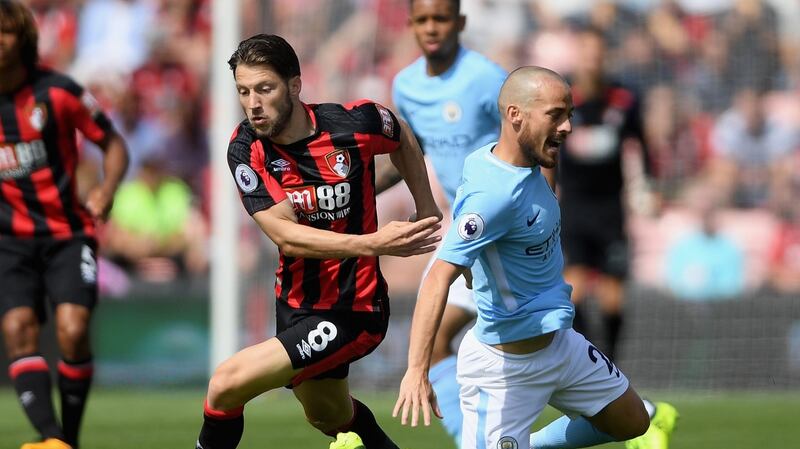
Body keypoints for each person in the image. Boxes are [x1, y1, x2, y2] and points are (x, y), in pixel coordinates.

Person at [393, 67, 677, 449]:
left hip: (561, 345)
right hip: (504, 368)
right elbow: (438, 277)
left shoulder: (525, 164)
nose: (568, 126)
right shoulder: (491, 197)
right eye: (556, 115)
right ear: (515, 115)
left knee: (633, 421)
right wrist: (416, 370)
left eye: (570, 114)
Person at [195, 34, 442, 449]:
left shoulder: (355, 123)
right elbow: (286, 236)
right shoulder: (246, 148)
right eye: (243, 91)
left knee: (226, 383)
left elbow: (401, 135)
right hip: (294, 304)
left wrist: (427, 207)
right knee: (330, 416)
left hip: (353, 308)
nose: (252, 103)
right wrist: (375, 243)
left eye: (264, 89)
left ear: (294, 85)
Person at [0, 2, 130, 449]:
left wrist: (107, 188)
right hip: (9, 242)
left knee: (73, 330)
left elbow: (111, 142)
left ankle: (65, 441)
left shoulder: (57, 93)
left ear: (24, 40)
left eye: (5, 33)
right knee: (18, 328)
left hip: (67, 234)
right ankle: (53, 439)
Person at [381, 0, 507, 443]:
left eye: (441, 18)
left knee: (523, 349)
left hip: (503, 226)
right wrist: (357, 189)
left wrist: (544, 208)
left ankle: (636, 413)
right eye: (423, 20)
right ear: (411, 25)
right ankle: (472, 439)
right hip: (465, 225)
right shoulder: (407, 86)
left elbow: (531, 140)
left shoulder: (487, 79)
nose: (432, 28)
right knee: (436, 340)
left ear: (461, 23)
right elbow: (409, 156)